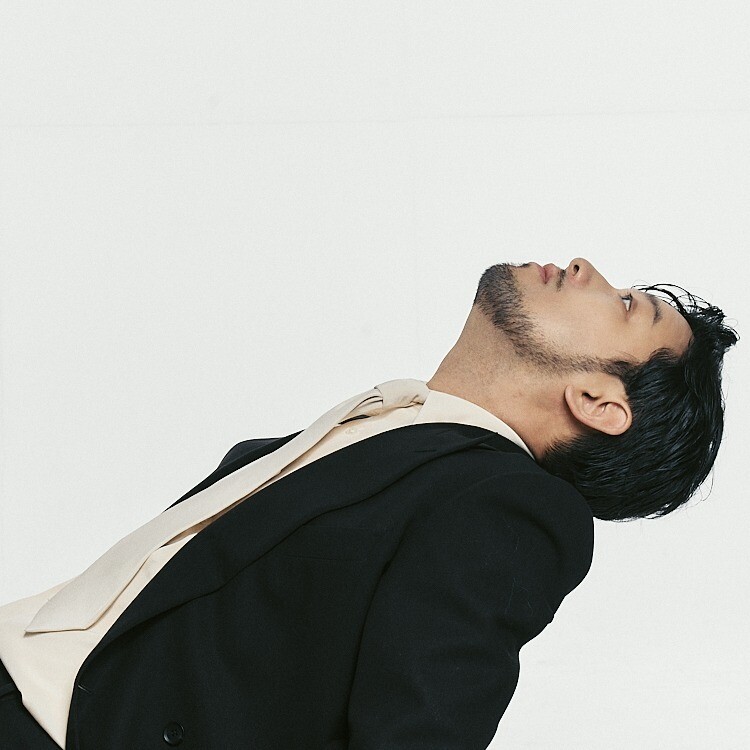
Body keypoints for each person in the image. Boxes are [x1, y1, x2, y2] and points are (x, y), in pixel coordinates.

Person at [0, 257, 737, 749]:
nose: (583, 267)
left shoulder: (513, 507)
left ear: (598, 400)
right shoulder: (397, 432)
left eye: (625, 306)